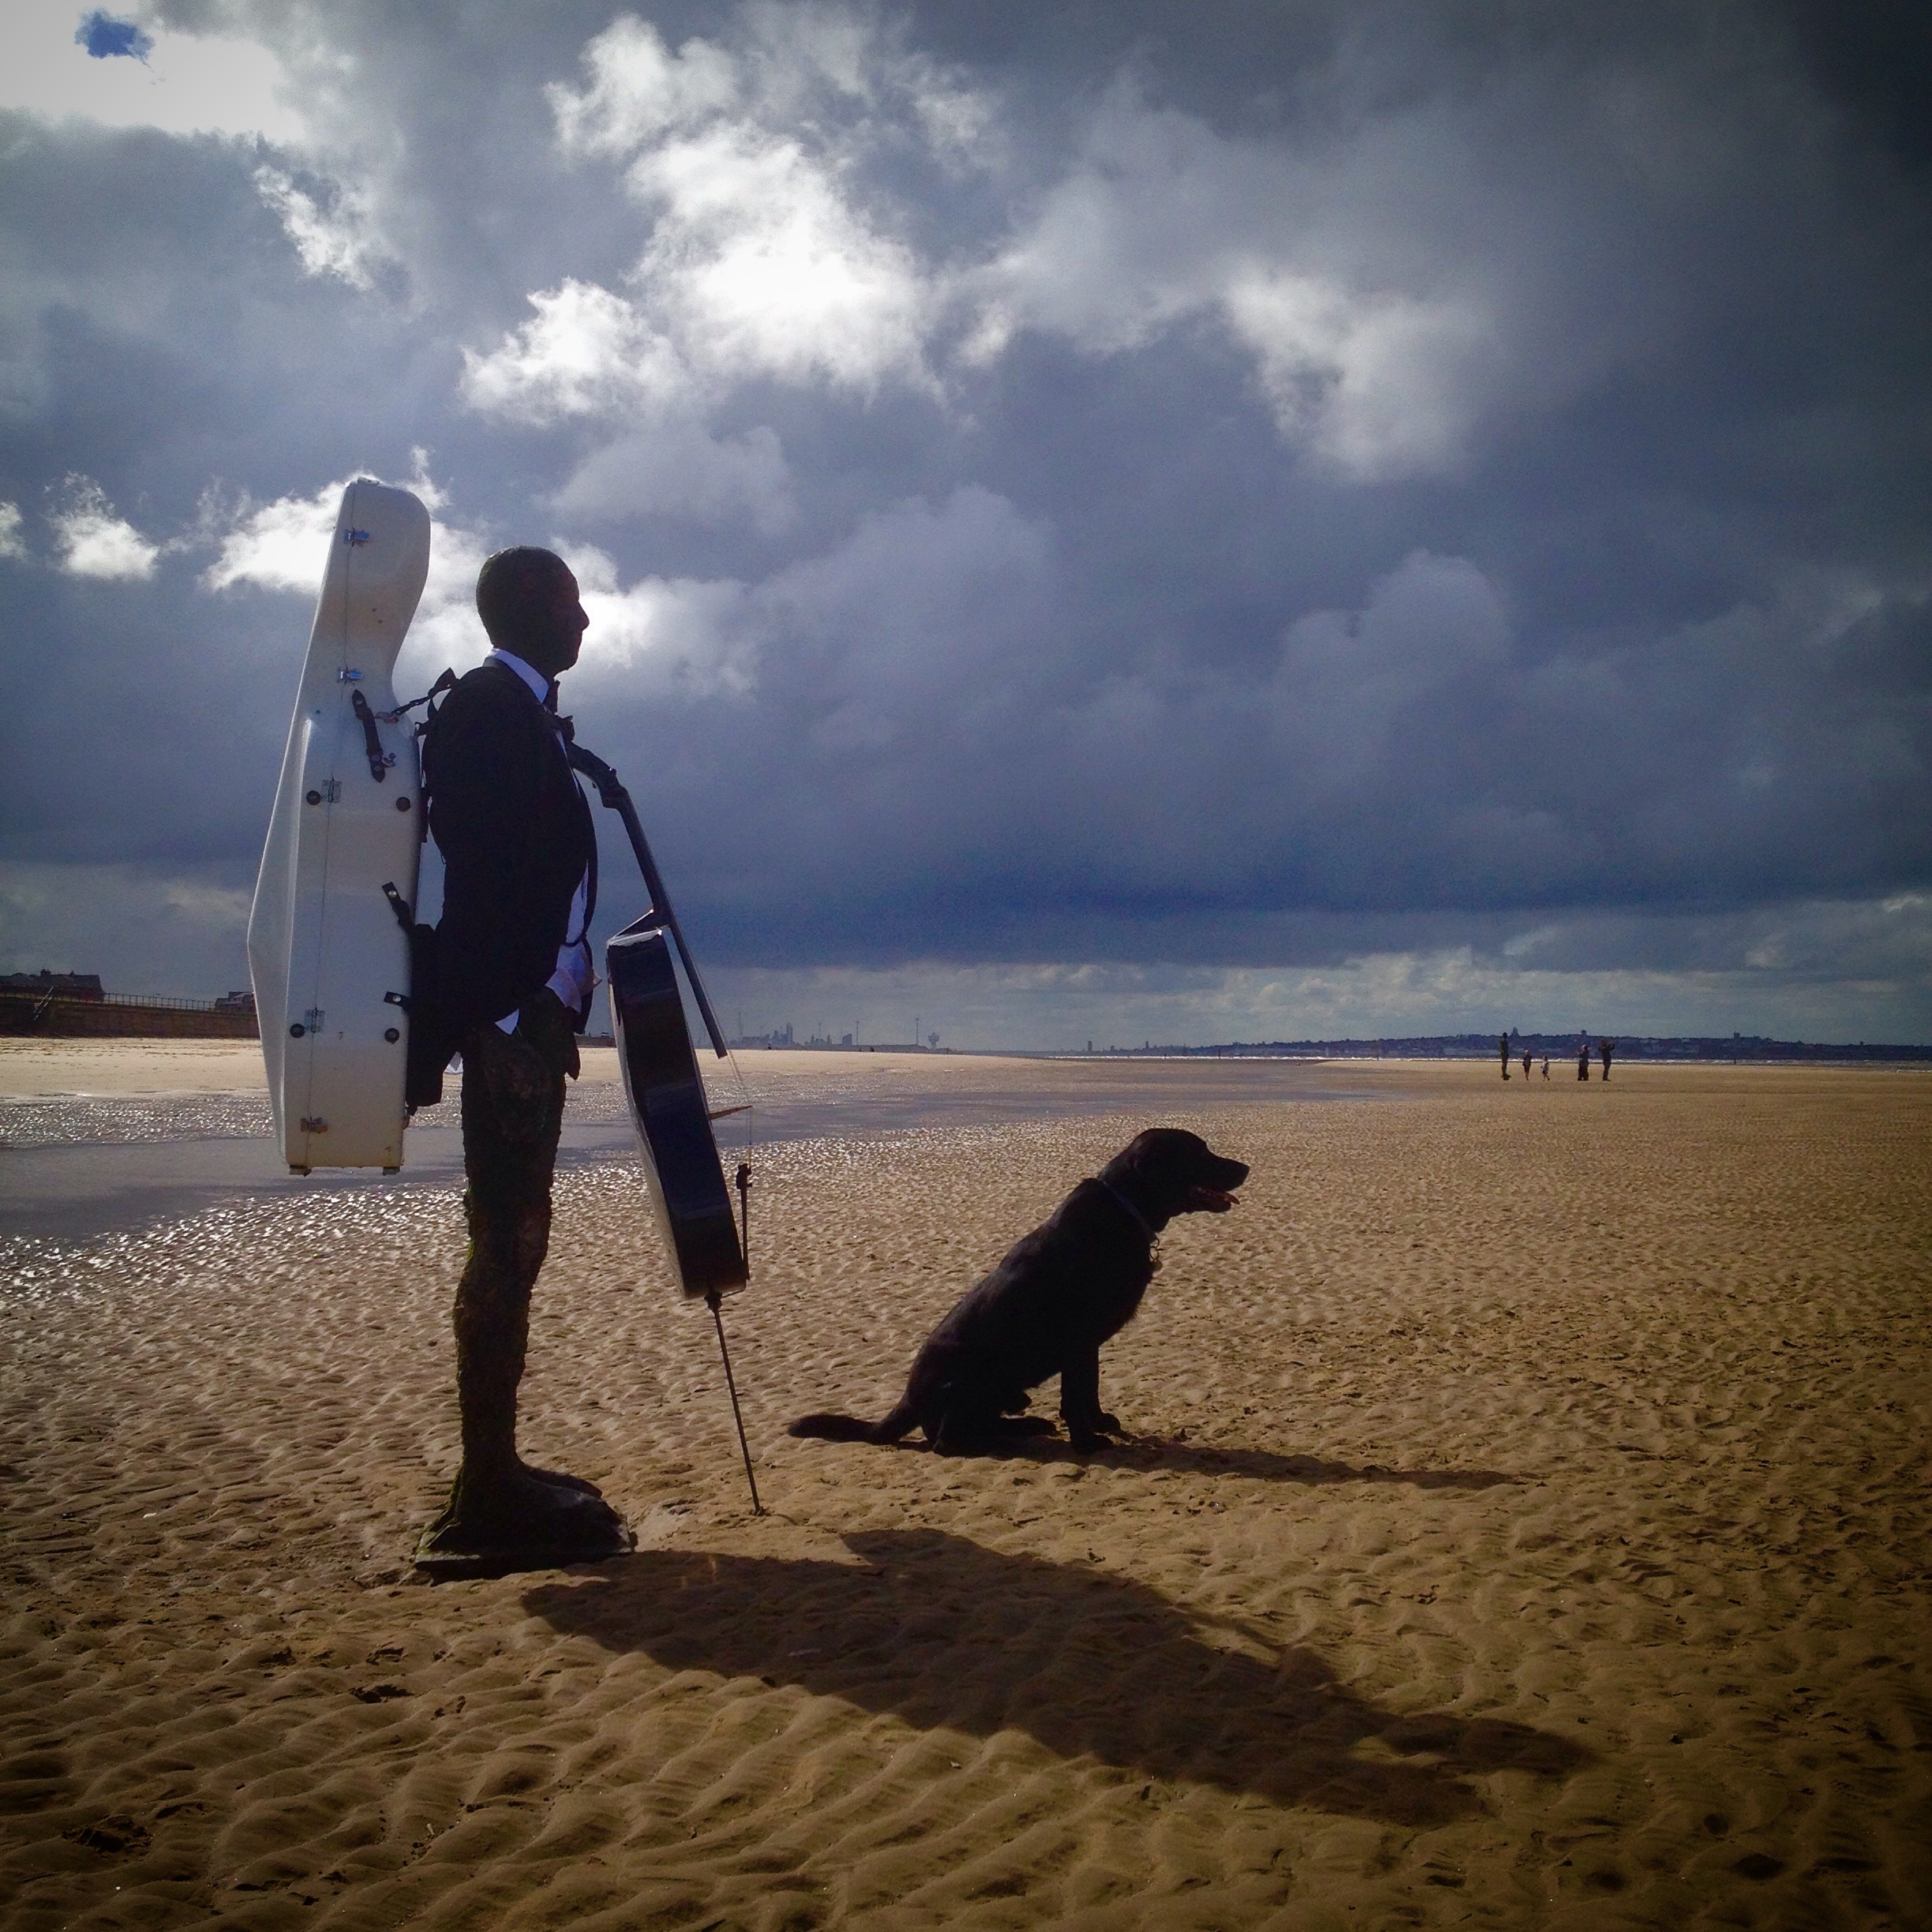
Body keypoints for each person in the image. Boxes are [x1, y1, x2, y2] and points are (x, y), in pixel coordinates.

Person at [414, 547, 631, 1569]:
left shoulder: (516, 711)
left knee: (516, 1242)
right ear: (531, 611)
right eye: (572, 603)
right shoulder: (492, 711)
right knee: (506, 1243)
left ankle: (492, 1474)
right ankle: (485, 1490)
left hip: (523, 1019)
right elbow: (489, 880)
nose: (585, 621)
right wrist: (513, 1007)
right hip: (507, 1023)